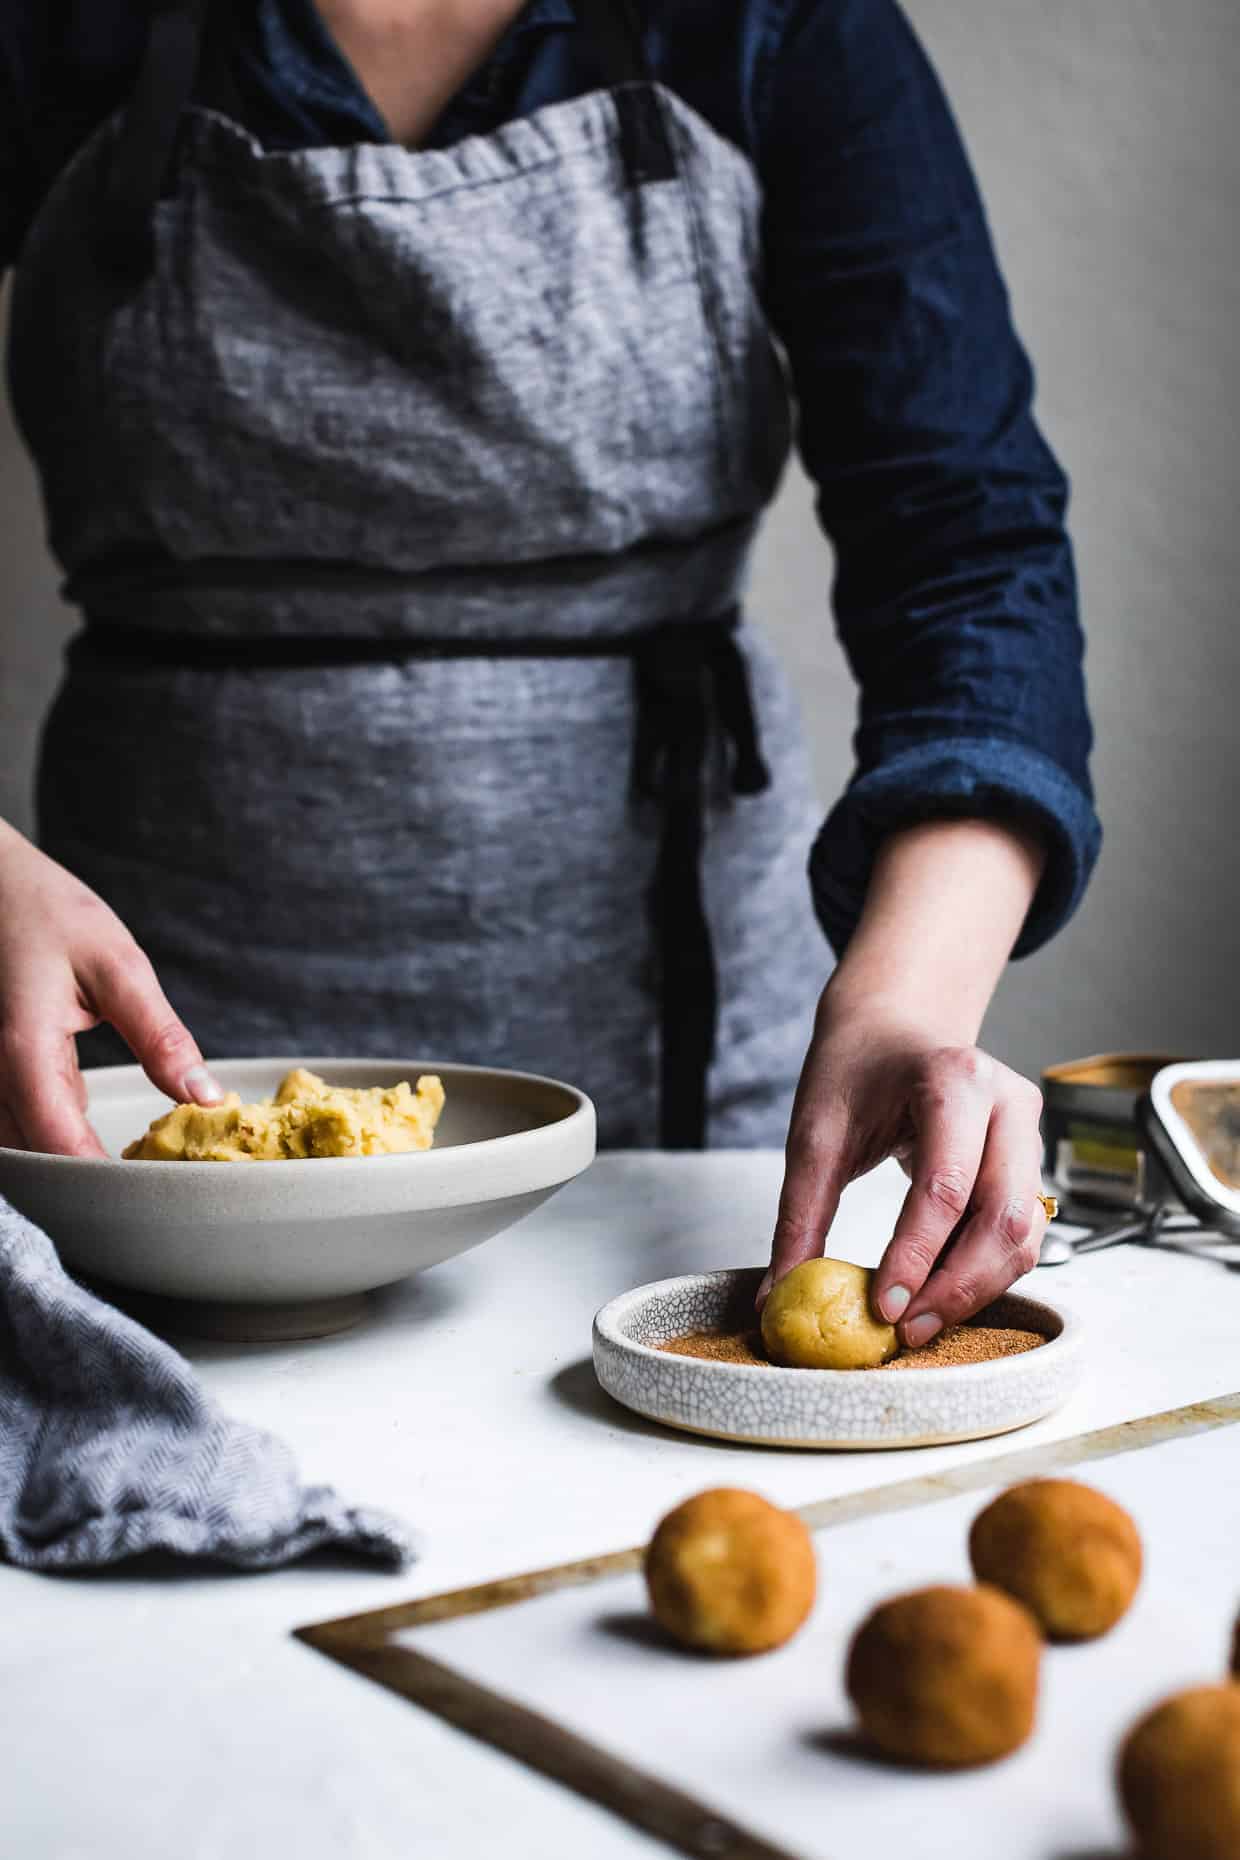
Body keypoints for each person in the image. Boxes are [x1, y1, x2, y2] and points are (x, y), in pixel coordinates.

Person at [0, 0, 1098, 1350]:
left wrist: (906, 1005)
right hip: (145, 1040)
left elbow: (971, 551)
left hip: (674, 1055)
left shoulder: (777, 25)